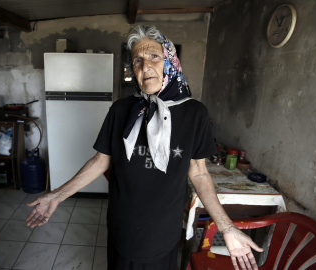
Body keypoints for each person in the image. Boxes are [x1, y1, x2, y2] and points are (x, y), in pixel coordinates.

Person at [26, 25, 263, 270]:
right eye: (137, 60)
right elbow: (100, 161)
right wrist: (57, 195)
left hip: (164, 231)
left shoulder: (195, 114)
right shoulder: (121, 110)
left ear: (170, 62)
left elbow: (200, 173)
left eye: (154, 57)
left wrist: (227, 227)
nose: (145, 66)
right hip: (123, 227)